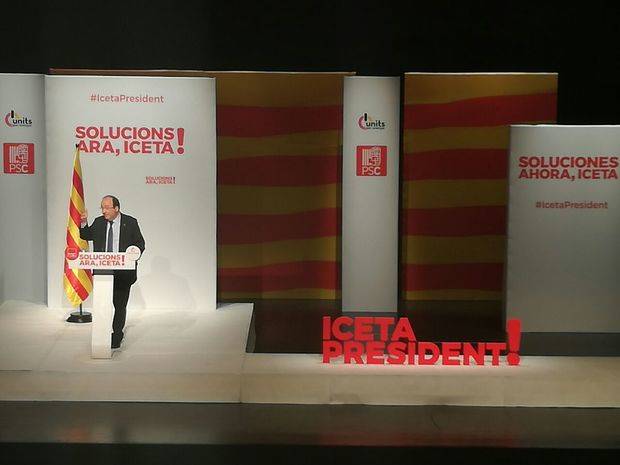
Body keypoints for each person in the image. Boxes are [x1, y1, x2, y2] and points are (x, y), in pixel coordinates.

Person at [79, 195, 145, 349]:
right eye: (102, 207)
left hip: (123, 273)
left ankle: (117, 335)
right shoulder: (99, 222)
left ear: (116, 208)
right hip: (103, 272)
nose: (104, 211)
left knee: (119, 306)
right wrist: (83, 222)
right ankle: (102, 334)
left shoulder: (130, 222)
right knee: (102, 305)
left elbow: (140, 243)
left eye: (107, 208)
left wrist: (133, 254)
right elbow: (86, 235)